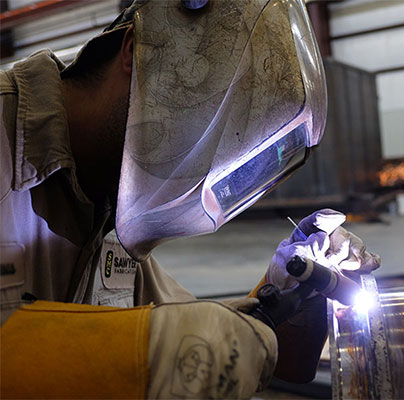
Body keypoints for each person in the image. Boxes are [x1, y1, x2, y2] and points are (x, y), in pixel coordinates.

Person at [0, 0, 380, 398]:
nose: (197, 169)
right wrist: (122, 355)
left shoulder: (109, 198)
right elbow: (151, 344)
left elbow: (187, 333)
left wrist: (284, 291)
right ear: (136, 53)